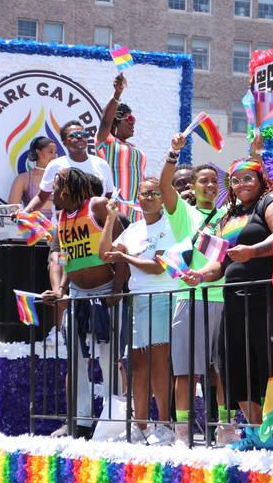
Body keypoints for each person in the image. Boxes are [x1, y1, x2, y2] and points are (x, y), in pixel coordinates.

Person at [190, 157, 273, 451]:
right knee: (235, 367)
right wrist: (199, 275)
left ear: (262, 179)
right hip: (234, 301)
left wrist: (253, 251)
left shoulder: (272, 201)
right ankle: (256, 434)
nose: (241, 184)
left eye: (248, 178)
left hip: (270, 297)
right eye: (236, 180)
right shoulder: (229, 217)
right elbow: (220, 264)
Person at [40, 167, 127, 439]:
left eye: (56, 188)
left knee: (109, 358)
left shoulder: (97, 206)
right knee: (76, 361)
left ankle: (114, 419)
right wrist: (61, 289)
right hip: (76, 294)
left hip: (105, 294)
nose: (52, 194)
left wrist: (116, 288)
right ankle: (79, 421)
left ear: (68, 188)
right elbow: (66, 258)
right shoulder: (61, 217)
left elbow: (123, 247)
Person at [159, 137, 233, 444]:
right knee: (187, 370)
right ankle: (183, 430)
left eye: (214, 181)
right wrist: (173, 152)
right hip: (188, 299)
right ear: (194, 185)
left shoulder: (228, 214)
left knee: (222, 369)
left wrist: (256, 154)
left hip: (222, 298)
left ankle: (226, 428)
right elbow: (164, 186)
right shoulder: (183, 213)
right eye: (203, 181)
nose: (209, 186)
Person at [98, 177, 175, 445]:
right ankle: (140, 427)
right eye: (144, 194)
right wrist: (110, 218)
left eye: (155, 193)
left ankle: (165, 426)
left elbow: (158, 266)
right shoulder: (133, 229)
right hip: (138, 301)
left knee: (159, 366)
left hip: (163, 298)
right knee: (138, 368)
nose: (150, 198)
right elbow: (104, 253)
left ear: (163, 198)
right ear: (138, 198)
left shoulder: (170, 225)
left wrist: (125, 258)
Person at [24, 121, 115, 213]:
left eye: (83, 134)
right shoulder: (55, 165)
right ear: (64, 142)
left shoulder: (101, 164)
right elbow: (41, 197)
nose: (79, 137)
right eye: (73, 135)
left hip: (95, 225)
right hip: (64, 225)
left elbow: (109, 194)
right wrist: (23, 214)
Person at [96, 73, 146, 221]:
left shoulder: (133, 148)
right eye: (129, 119)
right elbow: (105, 121)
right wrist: (117, 93)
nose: (133, 123)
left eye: (134, 119)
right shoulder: (107, 143)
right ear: (116, 121)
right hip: (114, 211)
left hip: (136, 213)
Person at [8, 136, 59, 217]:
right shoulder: (22, 179)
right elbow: (12, 210)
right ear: (38, 152)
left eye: (55, 152)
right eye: (50, 152)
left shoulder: (62, 176)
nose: (54, 156)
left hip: (60, 226)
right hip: (33, 227)